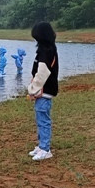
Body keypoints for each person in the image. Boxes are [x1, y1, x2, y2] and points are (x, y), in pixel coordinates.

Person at [27, 22, 59, 161]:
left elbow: (42, 73)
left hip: (45, 91)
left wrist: (32, 89)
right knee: (40, 119)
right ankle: (41, 146)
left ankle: (45, 149)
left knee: (43, 120)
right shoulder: (45, 50)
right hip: (43, 91)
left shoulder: (46, 51)